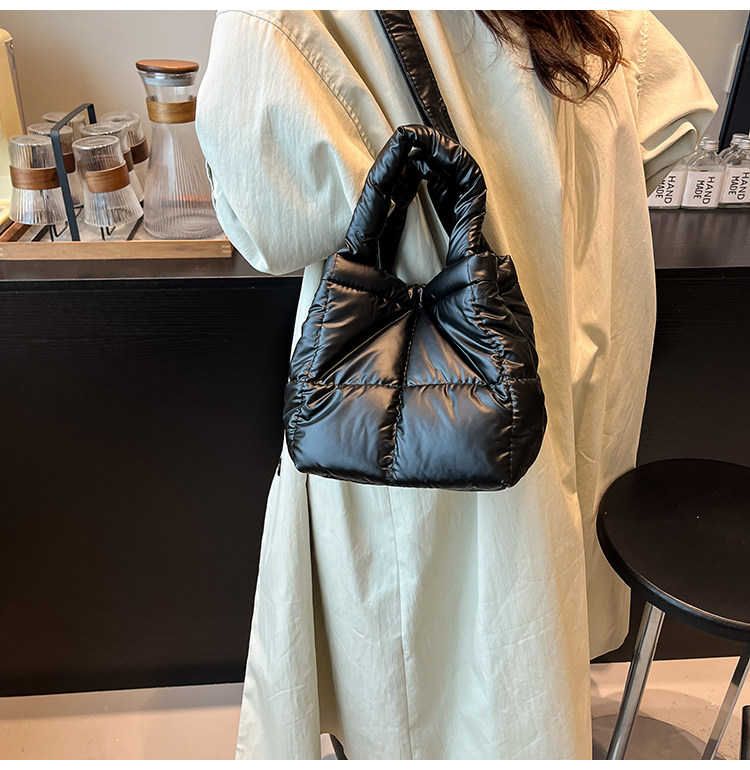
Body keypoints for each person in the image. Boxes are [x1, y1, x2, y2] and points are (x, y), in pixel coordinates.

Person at [196, 10, 716, 760]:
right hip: (557, 367)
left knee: (416, 680)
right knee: (522, 653)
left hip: (397, 400)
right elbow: (669, 124)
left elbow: (265, 219)